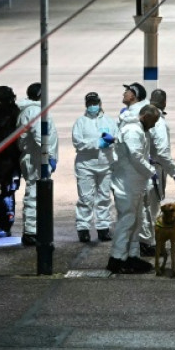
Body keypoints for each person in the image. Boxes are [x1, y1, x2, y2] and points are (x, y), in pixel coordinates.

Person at [106, 104, 161, 274]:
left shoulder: (138, 130)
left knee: (136, 222)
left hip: (134, 183)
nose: (153, 125)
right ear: (145, 116)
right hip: (126, 184)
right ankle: (117, 259)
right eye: (153, 121)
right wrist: (151, 171)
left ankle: (132, 256)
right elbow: (135, 156)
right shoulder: (132, 131)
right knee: (127, 221)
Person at [137, 88, 175, 257]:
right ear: (164, 103)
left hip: (140, 168)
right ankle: (147, 243)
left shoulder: (139, 116)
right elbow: (163, 153)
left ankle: (141, 242)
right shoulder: (160, 123)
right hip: (155, 169)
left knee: (142, 207)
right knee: (152, 207)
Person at [71, 92, 119, 243]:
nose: (93, 106)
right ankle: (83, 229)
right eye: (90, 103)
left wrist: (112, 141)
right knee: (85, 198)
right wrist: (98, 143)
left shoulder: (109, 121)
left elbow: (117, 138)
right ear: (86, 105)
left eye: (95, 103)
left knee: (104, 197)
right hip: (86, 165)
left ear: (100, 103)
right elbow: (78, 143)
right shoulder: (81, 122)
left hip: (106, 164)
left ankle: (103, 228)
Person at [16, 82, 59, 247]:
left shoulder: (33, 110)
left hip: (37, 156)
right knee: (33, 194)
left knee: (36, 193)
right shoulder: (34, 111)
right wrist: (48, 156)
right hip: (37, 158)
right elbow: (41, 136)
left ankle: (33, 229)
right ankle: (30, 232)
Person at [0, 85, 22, 237]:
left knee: (8, 192)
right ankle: (2, 218)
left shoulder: (16, 113)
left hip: (10, 159)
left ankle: (6, 224)